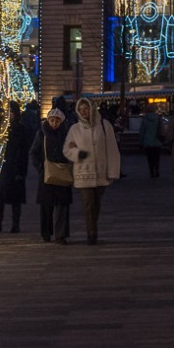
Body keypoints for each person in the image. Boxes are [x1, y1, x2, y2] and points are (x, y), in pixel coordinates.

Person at [62, 96, 120, 244]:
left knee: (96, 205)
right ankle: (91, 234)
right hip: (84, 172)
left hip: (101, 172)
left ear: (91, 108)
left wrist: (113, 171)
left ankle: (92, 229)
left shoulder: (104, 125)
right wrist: (77, 154)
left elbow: (112, 149)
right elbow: (67, 149)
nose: (83, 112)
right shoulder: (74, 129)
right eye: (80, 110)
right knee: (88, 205)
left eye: (85, 109)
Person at [30, 108, 72, 244]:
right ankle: (46, 233)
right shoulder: (42, 133)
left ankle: (60, 235)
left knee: (62, 205)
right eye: (52, 120)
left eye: (57, 120)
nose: (54, 123)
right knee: (46, 206)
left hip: (62, 171)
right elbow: (34, 152)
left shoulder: (67, 134)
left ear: (62, 121)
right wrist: (41, 167)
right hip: (46, 174)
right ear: (48, 120)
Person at [0, 102, 29, 233]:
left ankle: (15, 224)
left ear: (16, 113)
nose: (9, 115)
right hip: (2, 168)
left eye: (11, 112)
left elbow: (24, 151)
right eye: (6, 113)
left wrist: (21, 170)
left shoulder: (21, 129)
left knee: (15, 198)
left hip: (16, 167)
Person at [138, 103, 164, 179]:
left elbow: (142, 131)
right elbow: (162, 129)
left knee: (150, 158)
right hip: (157, 141)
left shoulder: (145, 119)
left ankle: (152, 172)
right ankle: (157, 170)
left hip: (148, 142)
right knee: (157, 158)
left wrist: (140, 142)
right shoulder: (158, 118)